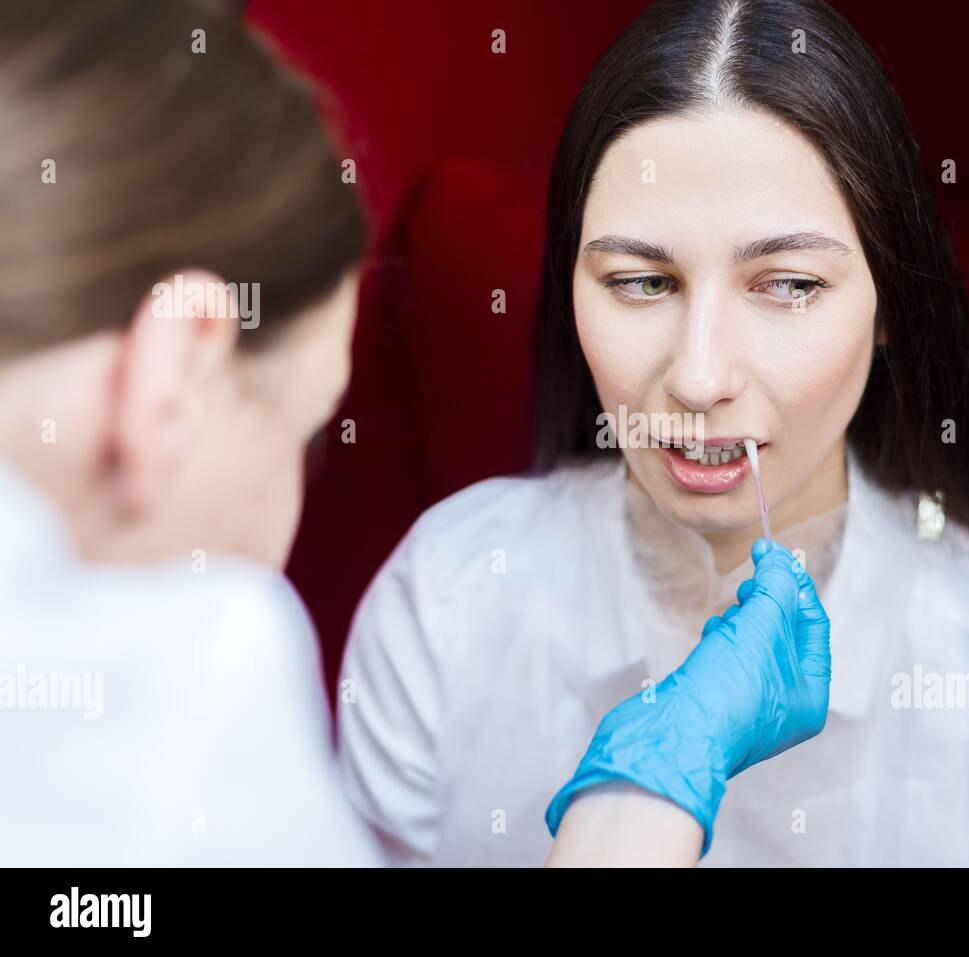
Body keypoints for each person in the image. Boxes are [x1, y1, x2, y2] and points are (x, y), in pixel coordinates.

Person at [0, 0, 824, 868]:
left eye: (792, 283)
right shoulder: (203, 675)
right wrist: (647, 792)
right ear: (173, 373)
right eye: (305, 433)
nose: (699, 377)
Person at [338, 0, 969, 866]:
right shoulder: (446, 601)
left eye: (790, 285)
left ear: (891, 307)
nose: (699, 377)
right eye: (641, 282)